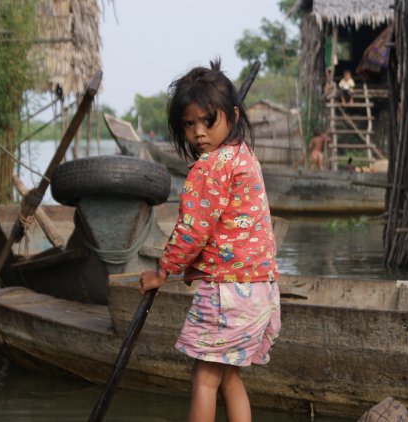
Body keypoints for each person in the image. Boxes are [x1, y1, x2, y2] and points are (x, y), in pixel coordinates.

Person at [139, 58, 281, 422]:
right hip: (261, 289)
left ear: (232, 116)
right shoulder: (245, 157)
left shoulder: (211, 166)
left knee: (204, 377)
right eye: (189, 124)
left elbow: (191, 231)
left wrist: (162, 272)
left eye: (208, 121)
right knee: (229, 375)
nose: (198, 132)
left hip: (227, 291)